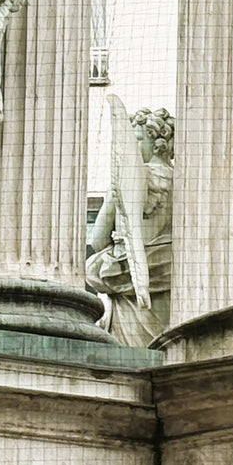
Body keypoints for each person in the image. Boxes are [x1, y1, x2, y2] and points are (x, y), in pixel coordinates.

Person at [86, 104, 174, 345]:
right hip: (169, 279)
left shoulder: (128, 181)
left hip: (128, 278)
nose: (131, 149)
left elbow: (97, 240)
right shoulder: (184, 182)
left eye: (137, 140)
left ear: (158, 144)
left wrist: (112, 195)